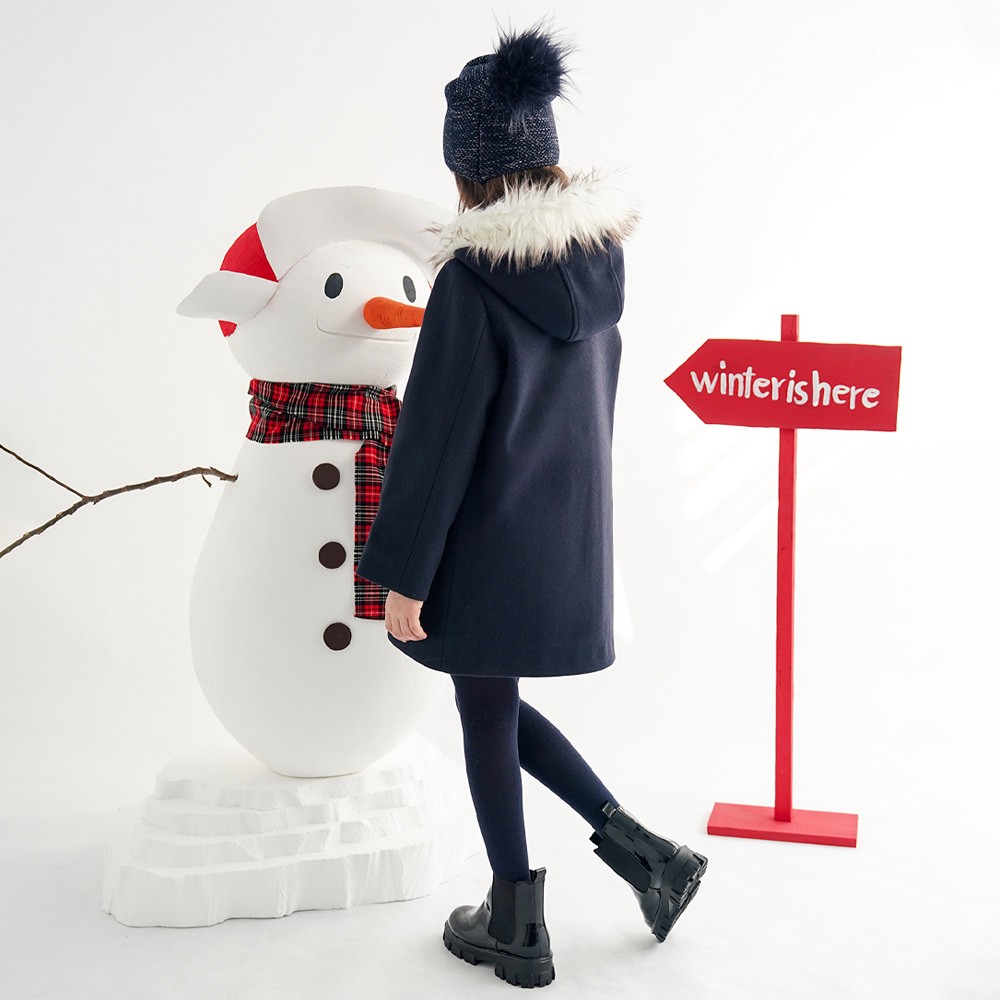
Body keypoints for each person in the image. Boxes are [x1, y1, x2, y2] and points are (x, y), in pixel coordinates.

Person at [356, 23, 707, 989]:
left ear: (469, 173)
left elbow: (435, 441)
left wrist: (404, 574)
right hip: (565, 541)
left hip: (481, 541)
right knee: (490, 698)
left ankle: (516, 922)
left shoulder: (473, 282)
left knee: (483, 708)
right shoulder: (600, 266)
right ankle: (649, 858)